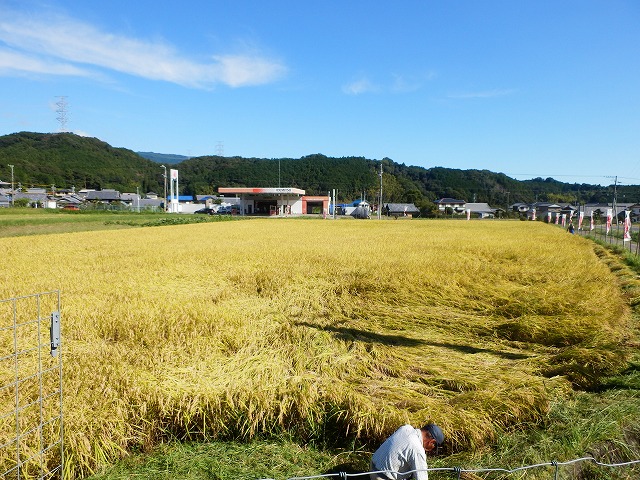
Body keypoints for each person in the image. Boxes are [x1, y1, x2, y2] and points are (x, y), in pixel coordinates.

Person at [370, 423, 444, 480]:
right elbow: (422, 478)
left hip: (372, 468)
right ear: (432, 442)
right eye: (434, 447)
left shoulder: (405, 428)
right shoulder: (417, 449)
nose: (432, 449)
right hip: (382, 477)